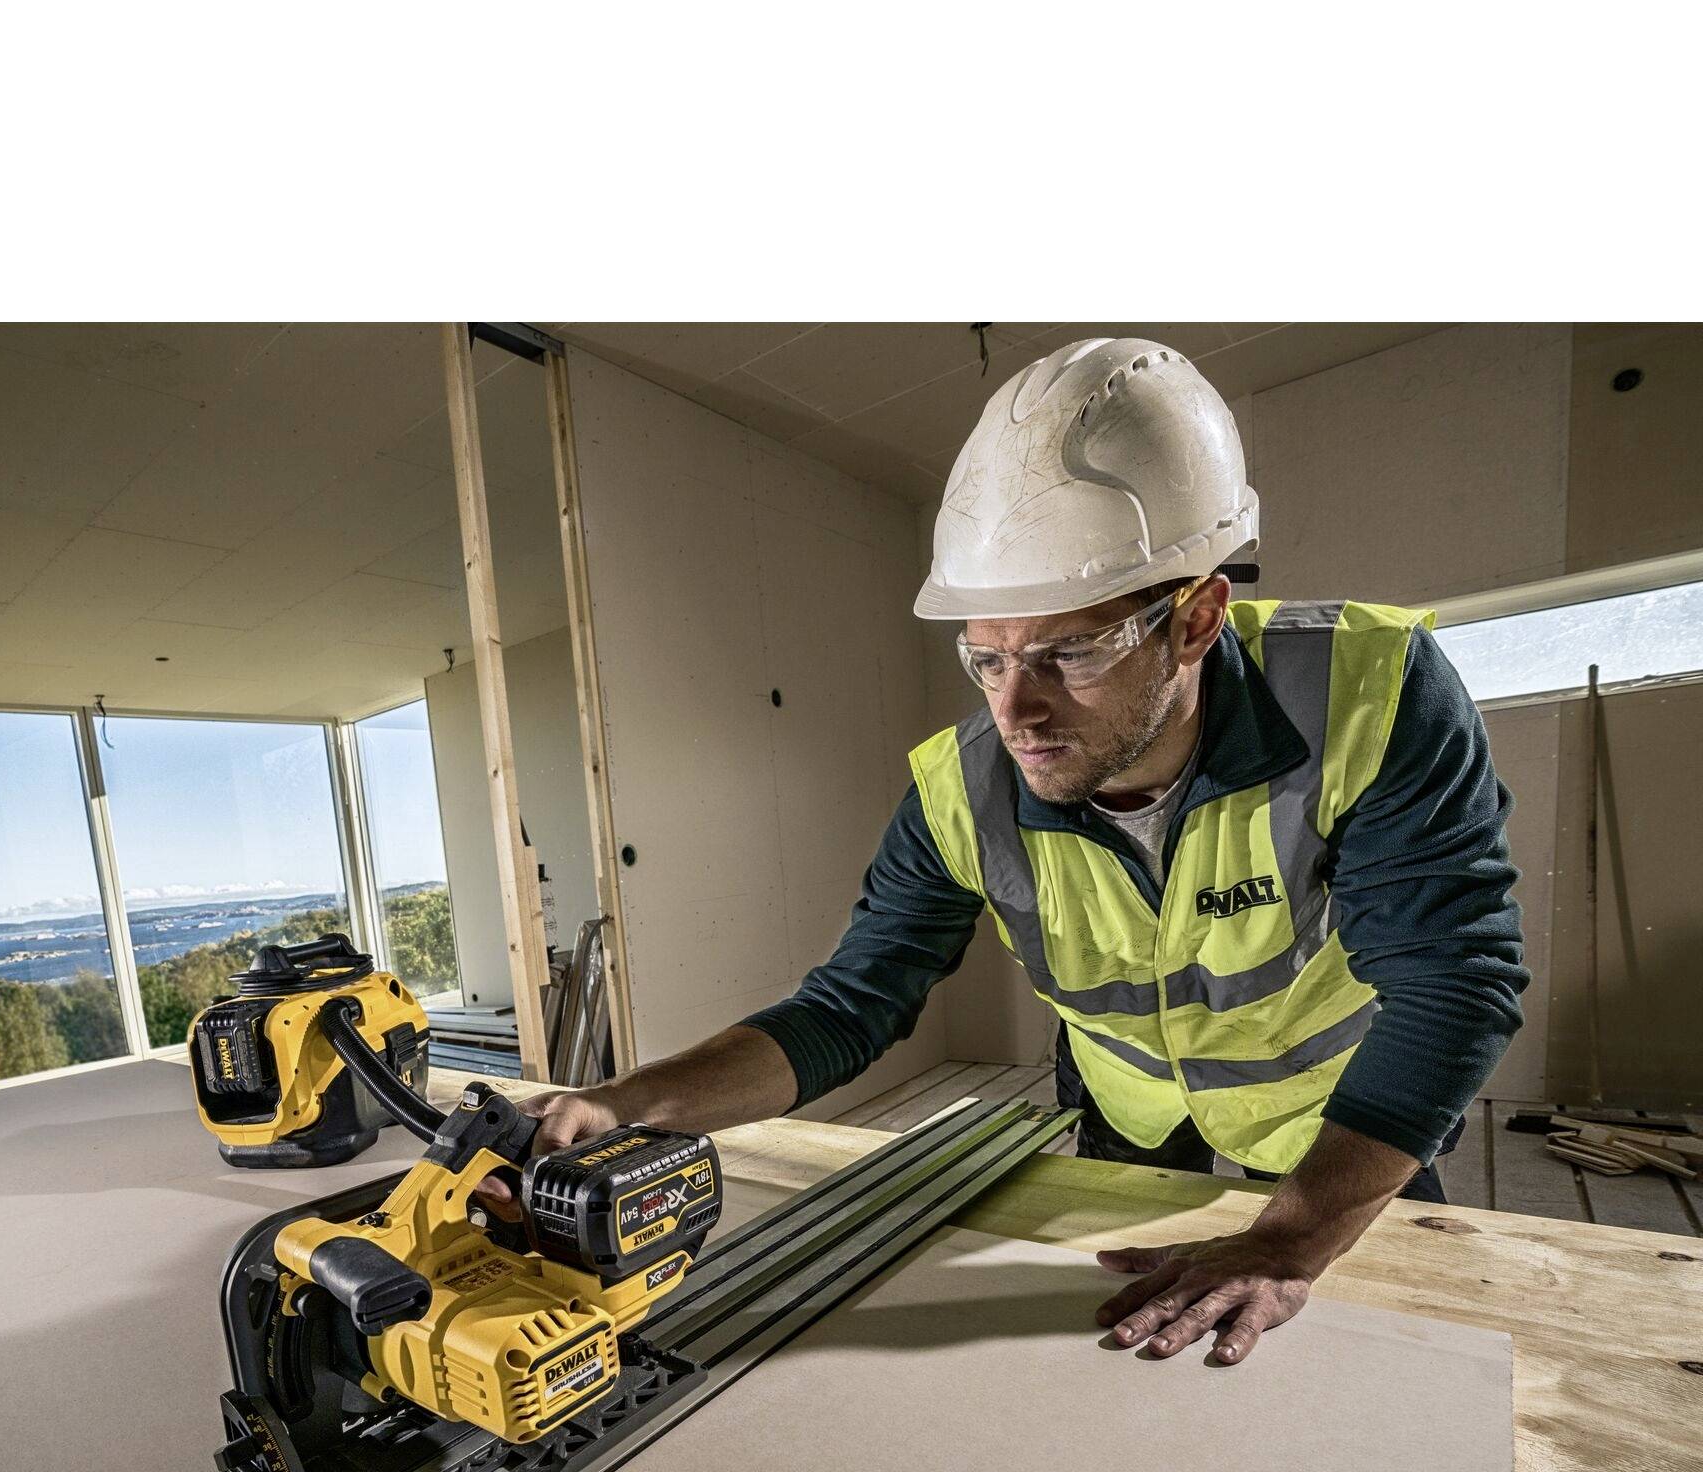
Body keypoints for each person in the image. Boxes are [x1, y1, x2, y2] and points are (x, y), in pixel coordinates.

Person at [499, 335, 1527, 1367]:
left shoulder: (1364, 694)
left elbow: (1452, 986)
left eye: (1067, 652)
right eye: (983, 658)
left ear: (1196, 617)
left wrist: (1292, 1234)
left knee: (1396, 1356)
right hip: (1127, 1101)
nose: (1014, 709)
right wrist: (621, 1101)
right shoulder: (962, 790)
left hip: (1336, 1109)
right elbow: (844, 1008)